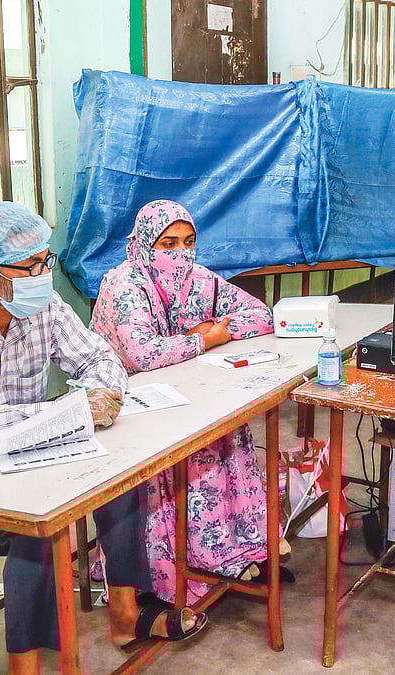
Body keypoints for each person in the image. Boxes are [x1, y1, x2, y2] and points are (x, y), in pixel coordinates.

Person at [0, 201, 206, 674]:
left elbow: (101, 358)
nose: (43, 274)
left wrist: (101, 392)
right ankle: (27, 667)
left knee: (122, 477)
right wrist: (56, 413)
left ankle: (126, 613)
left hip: (20, 456)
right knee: (40, 523)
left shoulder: (41, 305)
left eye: (45, 260)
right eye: (30, 266)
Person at [90, 199, 274, 604]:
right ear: (143, 243)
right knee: (180, 456)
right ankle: (163, 576)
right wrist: (203, 339)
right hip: (132, 406)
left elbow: (260, 314)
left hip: (187, 390)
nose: (180, 253)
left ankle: (221, 556)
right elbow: (144, 355)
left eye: (188, 242)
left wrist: (209, 331)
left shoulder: (200, 279)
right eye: (168, 243)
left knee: (226, 429)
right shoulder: (124, 284)